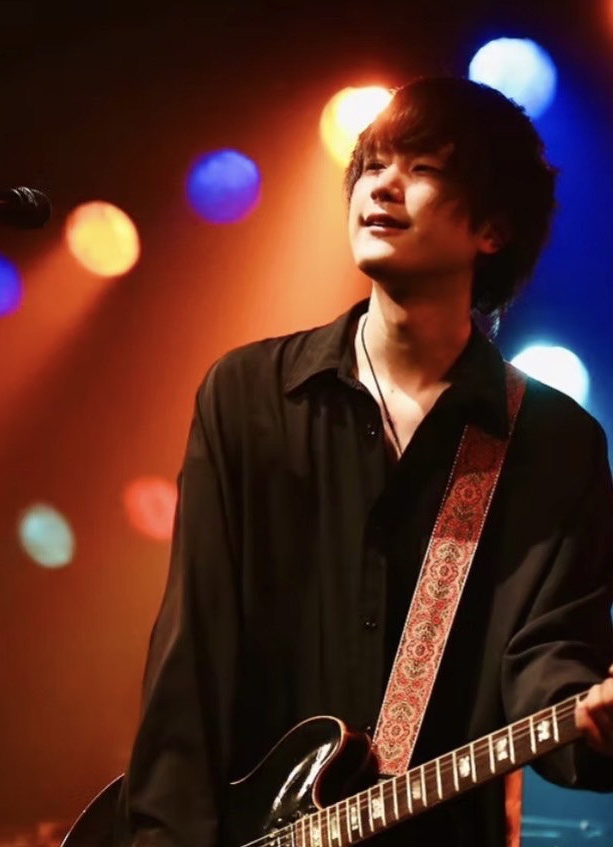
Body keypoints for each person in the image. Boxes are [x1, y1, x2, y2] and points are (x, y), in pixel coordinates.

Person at [116, 77, 613, 847]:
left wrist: (590, 720)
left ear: (492, 227)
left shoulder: (555, 442)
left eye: (423, 168)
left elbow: (547, 657)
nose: (382, 185)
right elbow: (193, 660)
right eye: (372, 163)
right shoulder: (249, 396)